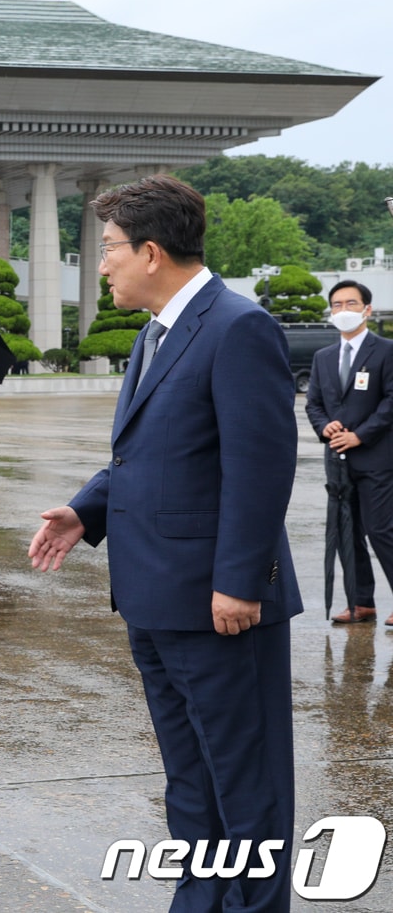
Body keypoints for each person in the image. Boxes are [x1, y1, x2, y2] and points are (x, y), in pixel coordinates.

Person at [27, 175, 300, 913]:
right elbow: (150, 455)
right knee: (190, 775)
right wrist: (87, 510)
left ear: (152, 251)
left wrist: (241, 580)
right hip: (154, 596)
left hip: (218, 602)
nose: (103, 264)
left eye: (109, 249)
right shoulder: (159, 331)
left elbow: (261, 465)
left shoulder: (237, 327)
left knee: (246, 782)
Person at [306, 279, 393, 626]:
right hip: (337, 462)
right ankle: (361, 603)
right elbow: (313, 403)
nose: (343, 311)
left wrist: (361, 435)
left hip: (376, 458)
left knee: (382, 530)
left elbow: (391, 401)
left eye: (350, 303)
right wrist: (324, 426)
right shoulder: (323, 357)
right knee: (346, 532)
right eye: (337, 305)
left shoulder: (386, 351)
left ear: (367, 310)